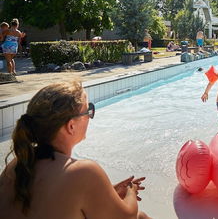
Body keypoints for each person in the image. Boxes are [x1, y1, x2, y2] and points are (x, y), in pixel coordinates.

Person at [0, 81, 150, 219]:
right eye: (88, 111)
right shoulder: (83, 172)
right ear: (71, 126)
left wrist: (107, 192)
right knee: (140, 217)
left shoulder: (18, 164)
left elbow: (53, 201)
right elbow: (128, 217)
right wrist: (131, 190)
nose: (90, 117)